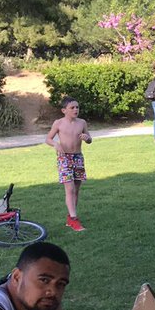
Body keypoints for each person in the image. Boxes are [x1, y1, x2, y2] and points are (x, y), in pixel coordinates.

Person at [44, 97, 92, 232]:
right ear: (64, 110)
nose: (76, 109)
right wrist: (55, 144)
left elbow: (89, 139)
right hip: (64, 158)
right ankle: (74, 219)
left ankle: (70, 218)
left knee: (76, 190)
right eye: (72, 108)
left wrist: (87, 138)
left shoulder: (82, 123)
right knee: (69, 189)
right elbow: (48, 139)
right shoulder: (58, 123)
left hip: (78, 157)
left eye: (77, 107)